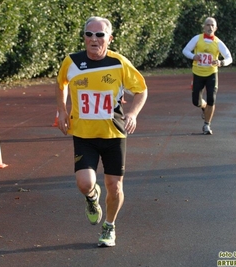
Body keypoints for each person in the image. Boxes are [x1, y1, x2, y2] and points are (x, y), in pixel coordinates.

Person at [55, 16, 148, 247]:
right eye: (89, 34)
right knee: (85, 183)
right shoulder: (72, 62)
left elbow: (141, 90)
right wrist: (62, 112)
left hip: (114, 134)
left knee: (115, 186)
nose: (94, 39)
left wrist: (133, 114)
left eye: (100, 35)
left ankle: (109, 226)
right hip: (84, 134)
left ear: (109, 38)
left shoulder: (119, 63)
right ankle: (91, 197)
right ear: (84, 37)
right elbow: (61, 84)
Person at [182, 17, 232, 135]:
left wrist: (221, 63)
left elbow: (229, 57)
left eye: (212, 25)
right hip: (198, 73)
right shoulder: (197, 39)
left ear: (215, 28)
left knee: (211, 99)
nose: (210, 27)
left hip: (212, 74)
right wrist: (193, 56)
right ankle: (203, 106)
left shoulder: (218, 42)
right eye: (208, 25)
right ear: (204, 27)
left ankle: (207, 125)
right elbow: (185, 50)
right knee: (196, 102)